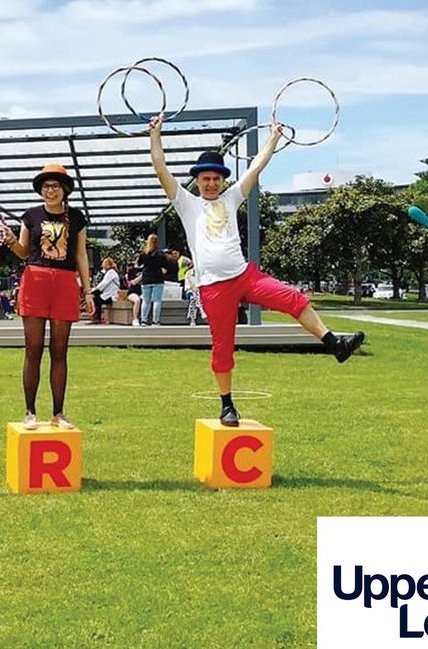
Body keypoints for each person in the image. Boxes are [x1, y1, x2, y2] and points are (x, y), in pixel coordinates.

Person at [149, 117, 366, 426]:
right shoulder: (186, 203)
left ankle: (335, 344)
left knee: (294, 298)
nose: (211, 183)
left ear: (222, 180)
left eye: (216, 178)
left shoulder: (231, 197)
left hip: (245, 276)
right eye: (205, 178)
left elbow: (256, 167)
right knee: (223, 347)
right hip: (214, 287)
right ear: (197, 180)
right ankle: (226, 405)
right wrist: (155, 134)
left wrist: (274, 137)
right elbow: (160, 168)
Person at [0, 164, 93, 429]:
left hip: (64, 283)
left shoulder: (76, 218)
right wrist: (9, 241)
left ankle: (58, 413)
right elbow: (23, 251)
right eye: (45, 186)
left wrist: (87, 290)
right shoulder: (30, 216)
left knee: (60, 350)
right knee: (33, 349)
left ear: (64, 190)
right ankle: (29, 412)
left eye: (55, 186)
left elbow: (81, 255)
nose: (50, 191)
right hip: (35, 280)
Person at [137, 234, 166, 326]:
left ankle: (144, 320)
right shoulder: (160, 254)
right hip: (158, 277)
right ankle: (155, 320)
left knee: (146, 300)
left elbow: (138, 264)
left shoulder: (144, 253)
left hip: (146, 277)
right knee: (157, 300)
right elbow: (165, 266)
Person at [91, 257, 120, 324]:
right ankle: (97, 317)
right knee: (96, 296)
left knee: (95, 299)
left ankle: (96, 318)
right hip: (109, 294)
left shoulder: (111, 272)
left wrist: (94, 289)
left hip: (111, 295)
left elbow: (104, 283)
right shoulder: (110, 272)